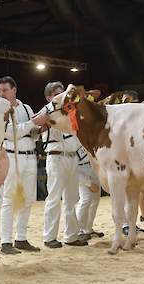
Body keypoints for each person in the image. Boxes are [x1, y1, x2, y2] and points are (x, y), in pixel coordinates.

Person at [0, 76, 46, 255]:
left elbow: (31, 134)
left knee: (28, 198)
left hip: (30, 156)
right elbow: (10, 133)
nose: (1, 94)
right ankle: (6, 242)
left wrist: (39, 130)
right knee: (9, 199)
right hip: (11, 157)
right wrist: (34, 123)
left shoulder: (26, 108)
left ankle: (21, 238)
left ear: (14, 90)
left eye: (4, 90)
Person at [41, 81, 88, 248]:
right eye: (56, 94)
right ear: (49, 97)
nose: (61, 97)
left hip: (72, 157)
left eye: (62, 93)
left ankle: (71, 235)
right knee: (54, 198)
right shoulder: (46, 110)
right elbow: (38, 124)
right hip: (56, 157)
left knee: (72, 198)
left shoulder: (71, 111)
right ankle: (49, 237)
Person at [76, 144, 104, 240]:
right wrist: (88, 183)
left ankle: (88, 229)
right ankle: (78, 230)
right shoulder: (72, 140)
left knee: (95, 199)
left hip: (94, 168)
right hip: (80, 169)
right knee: (86, 199)